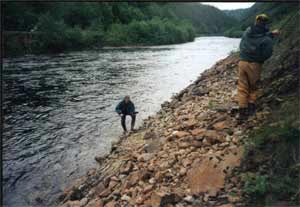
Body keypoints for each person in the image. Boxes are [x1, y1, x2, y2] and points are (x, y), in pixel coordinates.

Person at [237, 14, 279, 123]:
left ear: (256, 21)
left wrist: (270, 34)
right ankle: (251, 107)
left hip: (242, 62)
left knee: (242, 86)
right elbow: (267, 54)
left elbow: (256, 35)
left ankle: (242, 111)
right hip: (255, 64)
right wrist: (271, 35)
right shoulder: (267, 40)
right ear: (266, 23)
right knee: (254, 86)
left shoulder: (247, 31)